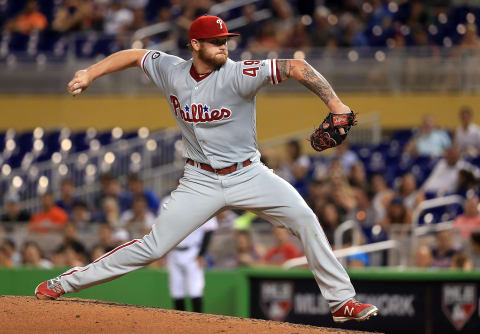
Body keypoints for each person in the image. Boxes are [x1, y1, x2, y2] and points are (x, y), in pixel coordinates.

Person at [35, 15, 378, 322]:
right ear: (195, 45)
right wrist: (89, 73)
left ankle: (341, 302)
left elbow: (294, 67)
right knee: (153, 247)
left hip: (248, 173)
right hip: (199, 179)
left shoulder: (240, 74)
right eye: (216, 42)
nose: (223, 46)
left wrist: (334, 103)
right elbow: (133, 55)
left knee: (305, 219)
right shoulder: (170, 70)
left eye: (225, 40)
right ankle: (63, 282)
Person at [162, 195, 218, 313]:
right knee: (176, 291)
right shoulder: (167, 201)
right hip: (173, 252)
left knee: (195, 290)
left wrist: (202, 254)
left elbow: (209, 230)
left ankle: (198, 325)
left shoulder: (203, 202)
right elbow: (161, 226)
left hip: (193, 252)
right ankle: (180, 325)